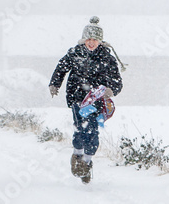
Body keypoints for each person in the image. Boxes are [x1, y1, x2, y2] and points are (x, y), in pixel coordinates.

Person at [49, 16, 123, 184]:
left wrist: (111, 90)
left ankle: (87, 162)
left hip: (96, 101)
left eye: (95, 40)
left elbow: (117, 80)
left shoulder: (107, 57)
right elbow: (61, 68)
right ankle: (77, 154)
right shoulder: (75, 53)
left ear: (100, 41)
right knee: (81, 129)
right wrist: (54, 84)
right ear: (84, 39)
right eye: (88, 39)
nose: (91, 43)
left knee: (92, 131)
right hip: (77, 97)